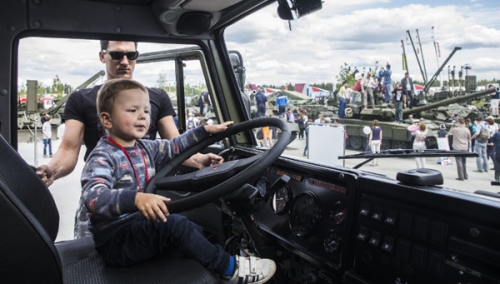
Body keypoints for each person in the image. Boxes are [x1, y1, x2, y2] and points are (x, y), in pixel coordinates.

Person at [80, 78, 276, 283]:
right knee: (176, 225)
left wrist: (203, 131)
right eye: (132, 110)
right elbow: (93, 196)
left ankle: (209, 259)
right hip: (116, 241)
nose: (142, 116)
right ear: (107, 119)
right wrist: (136, 199)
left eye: (146, 111)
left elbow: (174, 146)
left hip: (137, 225)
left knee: (190, 227)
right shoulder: (102, 156)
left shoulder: (143, 146)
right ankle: (230, 270)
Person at [36, 40, 223, 239]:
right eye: (117, 55)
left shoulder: (156, 97)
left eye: (131, 55)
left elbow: (174, 145)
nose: (125, 61)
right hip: (101, 202)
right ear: (102, 56)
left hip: (145, 200)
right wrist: (51, 171)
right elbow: (68, 150)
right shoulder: (81, 99)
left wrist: (199, 159)